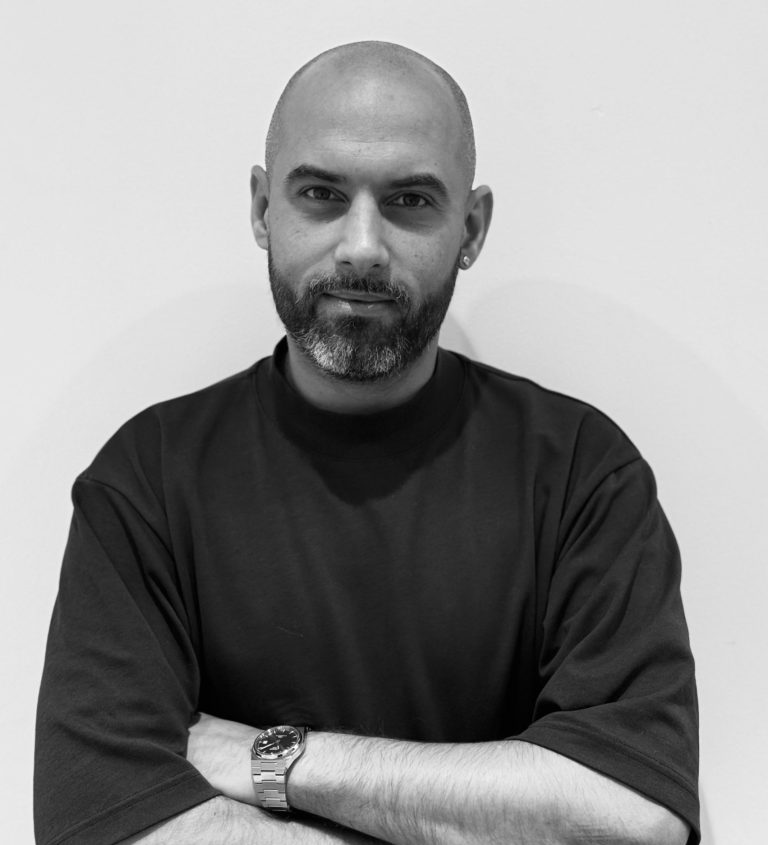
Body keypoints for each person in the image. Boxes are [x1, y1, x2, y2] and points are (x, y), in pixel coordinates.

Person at [34, 41, 699, 845]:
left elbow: (635, 815)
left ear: (471, 228)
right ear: (262, 209)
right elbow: (99, 823)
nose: (361, 246)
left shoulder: (585, 474)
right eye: (320, 193)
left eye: (410, 200)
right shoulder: (146, 481)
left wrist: (275, 758)